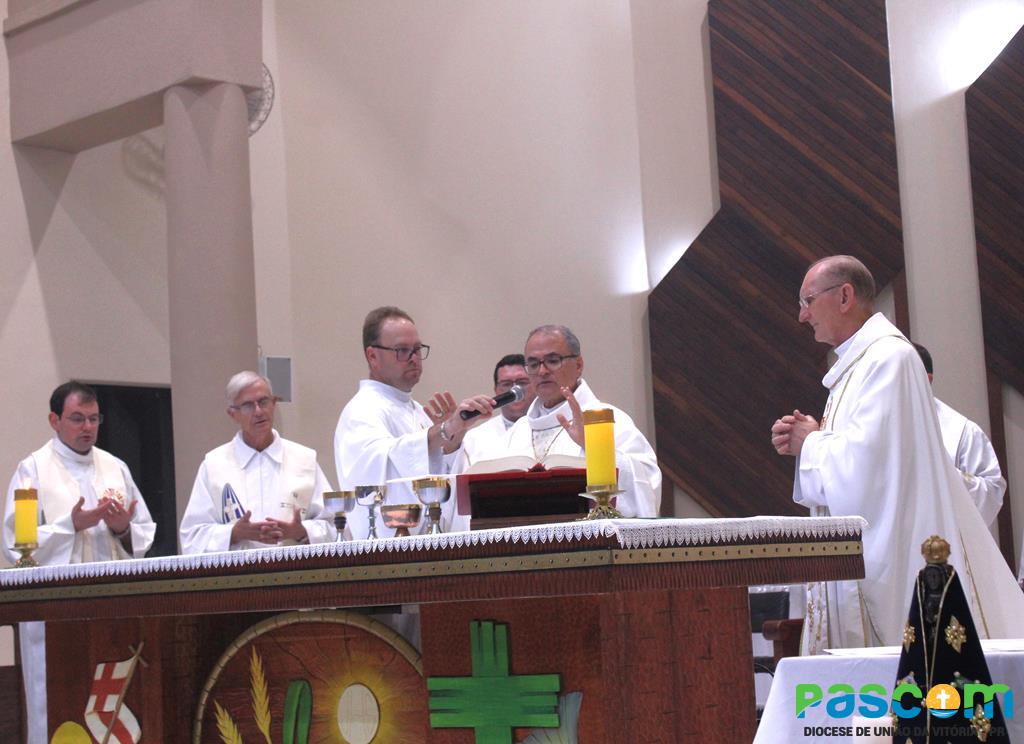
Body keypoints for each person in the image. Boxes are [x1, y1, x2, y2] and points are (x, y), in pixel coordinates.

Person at [770, 255, 1023, 653]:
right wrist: (813, 437)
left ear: (845, 296)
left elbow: (871, 471)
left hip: (894, 557)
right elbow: (865, 454)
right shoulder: (858, 366)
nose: (802, 316)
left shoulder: (889, 359)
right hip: (861, 552)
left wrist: (811, 443)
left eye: (807, 301)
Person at [3, 381, 156, 744]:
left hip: (111, 608)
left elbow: (142, 530)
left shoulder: (115, 467)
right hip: (55, 611)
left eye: (93, 419)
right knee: (57, 699)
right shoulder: (33, 469)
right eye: (77, 419)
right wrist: (71, 525)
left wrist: (122, 530)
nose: (87, 427)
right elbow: (15, 543)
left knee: (112, 696)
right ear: (55, 420)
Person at [334, 306, 496, 539]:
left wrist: (451, 442)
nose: (414, 359)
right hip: (387, 549)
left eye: (417, 350)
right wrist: (444, 430)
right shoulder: (361, 410)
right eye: (402, 351)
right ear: (372, 356)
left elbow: (437, 481)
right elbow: (379, 469)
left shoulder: (417, 411)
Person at [503, 324, 661, 517]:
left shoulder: (606, 419)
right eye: (533, 364)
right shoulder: (518, 431)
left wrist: (593, 447)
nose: (542, 371)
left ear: (578, 365)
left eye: (553, 360)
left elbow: (646, 481)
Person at [180, 371, 337, 553]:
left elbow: (336, 526)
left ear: (274, 403)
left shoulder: (304, 460)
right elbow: (192, 536)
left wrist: (301, 531)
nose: (258, 411)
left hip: (295, 574)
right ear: (233, 414)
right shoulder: (214, 465)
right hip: (237, 578)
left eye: (264, 402)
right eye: (247, 405)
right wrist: (234, 533)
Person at [913, 342, 1006, 527]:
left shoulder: (963, 432)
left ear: (927, 380)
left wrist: (944, 474)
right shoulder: (870, 423)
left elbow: (993, 491)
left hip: (943, 545)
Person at [458, 354, 536, 469]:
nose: (514, 389)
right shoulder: (474, 438)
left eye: (522, 382)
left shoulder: (551, 427)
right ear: (496, 390)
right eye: (506, 384)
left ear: (535, 384)